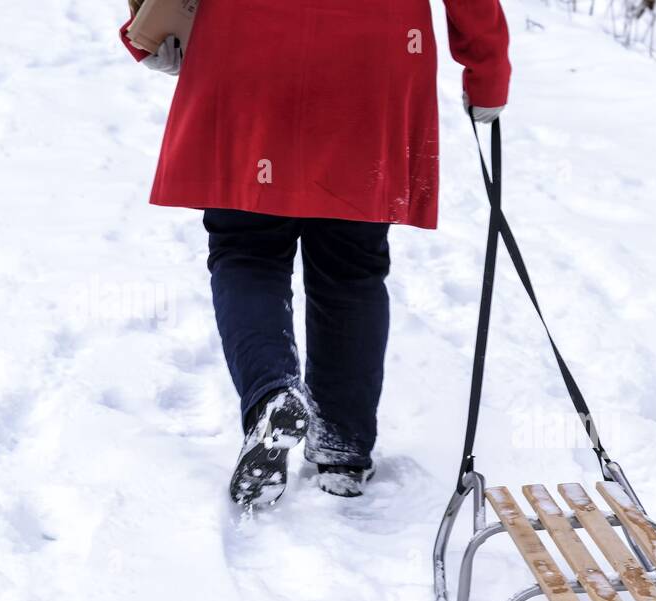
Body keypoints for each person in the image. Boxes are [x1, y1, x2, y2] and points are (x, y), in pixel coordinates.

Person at [120, 1, 511, 505]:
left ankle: (272, 394)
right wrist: (488, 71)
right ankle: (342, 448)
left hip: (244, 45)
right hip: (373, 58)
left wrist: (149, 28)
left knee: (246, 248)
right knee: (351, 264)